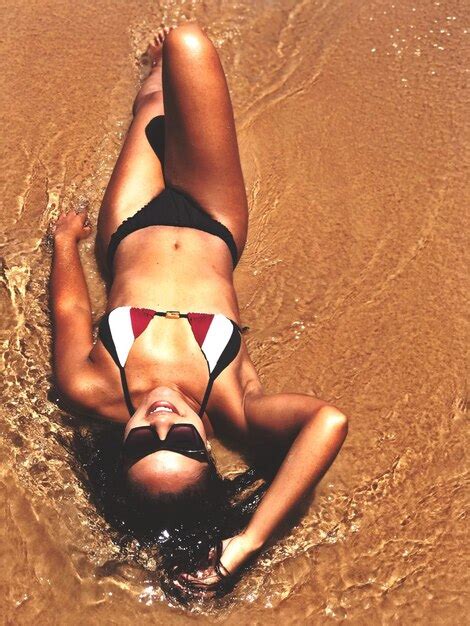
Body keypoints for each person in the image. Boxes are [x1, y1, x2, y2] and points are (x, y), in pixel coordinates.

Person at [50, 22, 348, 594]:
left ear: (122, 450)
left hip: (129, 224)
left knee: (156, 98)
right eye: (181, 442)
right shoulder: (233, 405)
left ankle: (151, 71)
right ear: (206, 445)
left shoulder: (92, 389)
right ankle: (168, 66)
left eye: (143, 442)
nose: (162, 420)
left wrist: (66, 244)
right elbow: (328, 421)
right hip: (214, 217)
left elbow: (69, 309)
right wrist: (246, 543)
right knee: (190, 44)